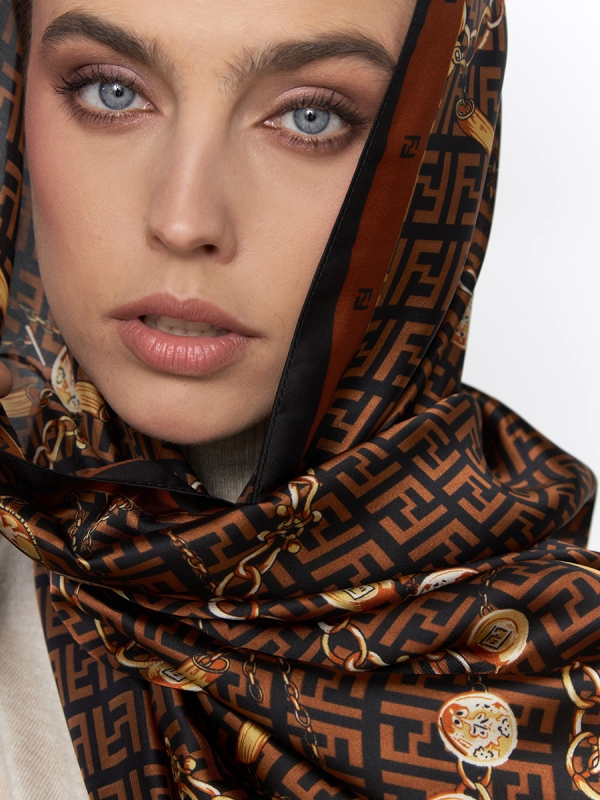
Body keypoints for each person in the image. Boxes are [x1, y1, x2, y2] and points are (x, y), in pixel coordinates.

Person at [0, 0, 596, 798]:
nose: (184, 220)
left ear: (440, 137)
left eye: (311, 117)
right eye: (111, 91)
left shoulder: (565, 675)